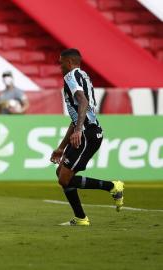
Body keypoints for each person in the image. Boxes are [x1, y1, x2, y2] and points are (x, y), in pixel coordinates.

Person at [50, 48, 124, 226]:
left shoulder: (70, 77)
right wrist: (61, 147)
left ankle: (112, 187)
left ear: (69, 62)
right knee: (61, 172)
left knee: (64, 178)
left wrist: (79, 129)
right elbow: (76, 116)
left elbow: (82, 102)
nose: (59, 66)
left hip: (87, 133)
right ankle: (81, 218)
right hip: (86, 130)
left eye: (61, 63)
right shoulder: (85, 76)